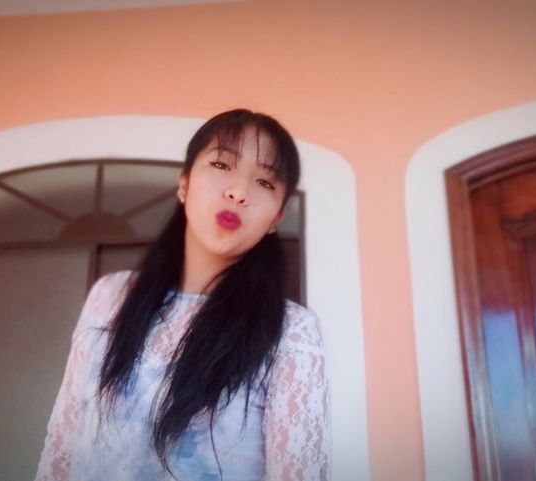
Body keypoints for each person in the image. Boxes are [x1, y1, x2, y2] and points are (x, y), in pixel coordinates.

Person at [34, 109, 330, 481]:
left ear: (276, 218)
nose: (239, 192)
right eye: (221, 164)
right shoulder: (111, 297)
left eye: (265, 182)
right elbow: (60, 453)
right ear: (184, 184)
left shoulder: (292, 333)